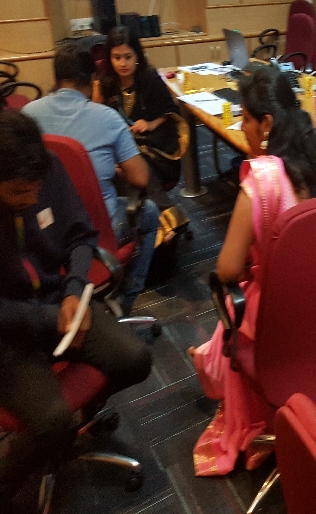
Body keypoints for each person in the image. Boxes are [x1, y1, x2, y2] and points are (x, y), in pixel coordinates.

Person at [0, 110, 152, 503]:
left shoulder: (47, 168)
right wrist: (49, 317)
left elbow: (81, 236)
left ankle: (71, 427)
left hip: (57, 301)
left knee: (136, 359)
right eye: (19, 193)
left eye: (35, 189)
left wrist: (73, 290)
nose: (32, 200)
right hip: (10, 336)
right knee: (53, 422)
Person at [189, 66, 316, 476]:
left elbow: (227, 269)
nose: (241, 127)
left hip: (275, 324)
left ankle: (219, 369)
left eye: (246, 118)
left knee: (234, 300)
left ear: (266, 123)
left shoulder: (262, 180)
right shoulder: (315, 165)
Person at [23, 43, 159, 315]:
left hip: (43, 232)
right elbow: (141, 178)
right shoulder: (107, 118)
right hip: (97, 230)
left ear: (55, 80)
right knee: (150, 212)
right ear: (92, 80)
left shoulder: (28, 116)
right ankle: (126, 299)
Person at [99, 26, 182, 211]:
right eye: (117, 57)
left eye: (128, 57)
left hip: (155, 147)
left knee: (133, 164)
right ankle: (165, 214)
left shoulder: (149, 78)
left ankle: (162, 211)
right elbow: (98, 119)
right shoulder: (106, 83)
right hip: (121, 145)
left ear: (137, 55)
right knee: (115, 164)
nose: (123, 63)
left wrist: (151, 124)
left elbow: (172, 111)